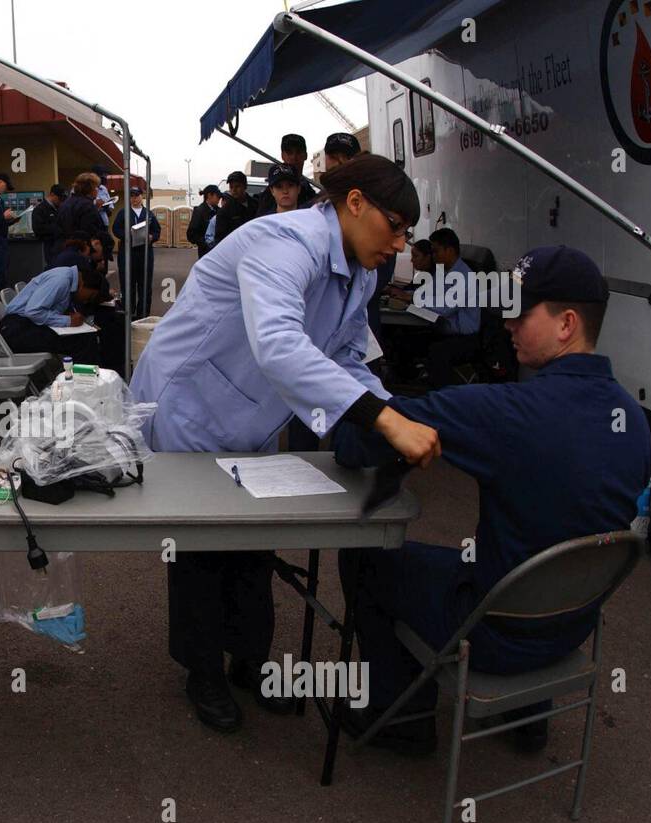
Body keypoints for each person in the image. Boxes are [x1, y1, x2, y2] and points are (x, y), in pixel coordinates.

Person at [130, 154, 440, 733]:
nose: (399, 243)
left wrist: (391, 411)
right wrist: (382, 419)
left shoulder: (362, 270)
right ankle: (203, 671)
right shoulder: (284, 240)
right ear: (354, 204)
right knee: (198, 545)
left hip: (253, 413)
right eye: (394, 226)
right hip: (195, 402)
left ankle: (249, 660)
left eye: (407, 233)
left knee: (253, 539)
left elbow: (346, 356)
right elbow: (278, 343)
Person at [335, 245, 651, 754]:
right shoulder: (634, 420)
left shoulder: (510, 413)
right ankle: (527, 716)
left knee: (367, 560)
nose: (505, 323)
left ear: (566, 324)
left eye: (520, 313)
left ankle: (401, 719)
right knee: (548, 541)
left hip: (497, 631)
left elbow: (368, 438)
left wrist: (344, 423)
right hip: (573, 623)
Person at [0, 265, 107, 368]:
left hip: (24, 325)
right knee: (83, 340)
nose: (87, 300)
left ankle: (87, 378)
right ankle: (86, 382)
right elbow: (33, 311)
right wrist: (68, 321)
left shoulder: (67, 279)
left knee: (85, 336)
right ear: (83, 284)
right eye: (91, 295)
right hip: (16, 330)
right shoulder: (61, 280)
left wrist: (67, 317)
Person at [420, 227, 480, 387]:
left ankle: (444, 396)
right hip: (445, 331)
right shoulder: (442, 272)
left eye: (436, 251)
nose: (433, 256)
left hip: (465, 339)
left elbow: (445, 308)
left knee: (438, 352)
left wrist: (415, 300)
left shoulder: (465, 277)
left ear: (450, 250)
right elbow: (427, 293)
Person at [111, 187, 161, 319]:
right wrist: (128, 236)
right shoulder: (123, 213)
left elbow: (157, 231)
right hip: (128, 254)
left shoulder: (148, 214)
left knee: (144, 285)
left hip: (144, 254)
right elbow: (116, 229)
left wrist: (151, 237)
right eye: (131, 196)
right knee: (128, 284)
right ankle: (128, 313)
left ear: (141, 196)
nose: (134, 198)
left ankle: (143, 314)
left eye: (136, 195)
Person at [256, 133, 317, 215]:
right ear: (282, 155)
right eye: (289, 153)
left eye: (298, 152)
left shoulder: (311, 194)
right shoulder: (268, 196)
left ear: (305, 155)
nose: (294, 157)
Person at [57, 172, 106, 244]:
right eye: (96, 187)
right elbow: (90, 230)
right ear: (91, 188)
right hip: (81, 247)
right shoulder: (87, 206)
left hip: (63, 246)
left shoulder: (66, 203)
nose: (97, 190)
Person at [214, 171, 258, 245]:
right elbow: (219, 239)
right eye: (231, 187)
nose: (234, 190)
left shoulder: (256, 204)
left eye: (237, 186)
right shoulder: (225, 211)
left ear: (245, 186)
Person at [32, 184, 66, 267]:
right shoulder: (40, 209)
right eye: (59, 198)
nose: (61, 201)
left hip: (60, 246)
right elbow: (38, 228)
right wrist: (57, 229)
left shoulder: (59, 208)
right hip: (48, 246)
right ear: (52, 195)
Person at [186, 185, 222, 259]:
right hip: (205, 253)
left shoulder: (219, 211)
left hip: (218, 252)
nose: (219, 199)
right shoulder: (199, 211)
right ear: (209, 195)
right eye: (217, 196)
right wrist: (205, 244)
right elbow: (191, 234)